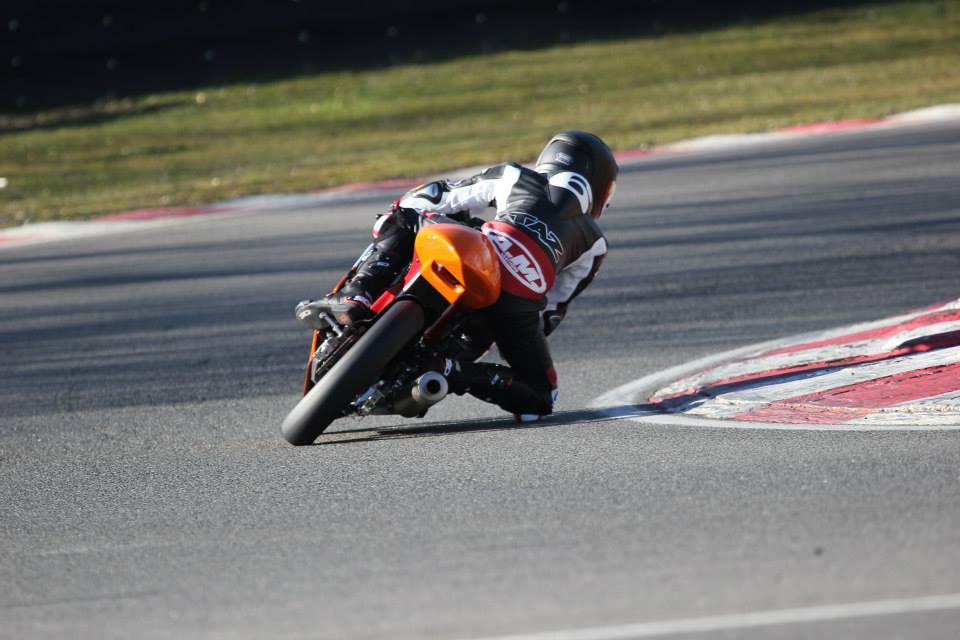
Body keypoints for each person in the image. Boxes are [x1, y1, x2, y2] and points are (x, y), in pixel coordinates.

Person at [295, 131, 617, 421]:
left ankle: (357, 295)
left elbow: (430, 197)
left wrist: (398, 222)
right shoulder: (595, 242)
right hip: (518, 300)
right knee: (542, 395)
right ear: (601, 188)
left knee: (405, 216)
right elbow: (552, 310)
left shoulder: (516, 176)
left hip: (478, 252)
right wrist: (520, 328)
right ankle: (450, 371)